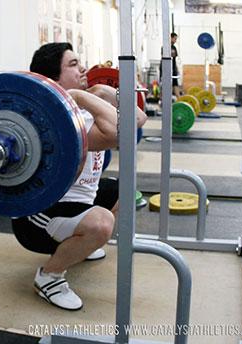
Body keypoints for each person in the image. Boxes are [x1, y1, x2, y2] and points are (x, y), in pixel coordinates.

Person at [11, 42, 147, 311]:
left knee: (124, 192)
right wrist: (83, 96)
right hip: (37, 216)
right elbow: (119, 132)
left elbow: (139, 118)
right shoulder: (56, 119)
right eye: (73, 65)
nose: (83, 67)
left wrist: (104, 91)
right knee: (101, 224)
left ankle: (77, 246)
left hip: (77, 199)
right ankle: (49, 277)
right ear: (54, 79)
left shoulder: (81, 112)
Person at [159, 32, 180, 99]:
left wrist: (177, 68)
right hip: (165, 68)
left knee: (175, 83)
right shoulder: (165, 47)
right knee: (163, 83)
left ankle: (179, 98)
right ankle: (161, 99)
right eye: (174, 38)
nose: (175, 40)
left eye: (176, 39)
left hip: (173, 68)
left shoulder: (174, 48)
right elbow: (162, 58)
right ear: (170, 38)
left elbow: (174, 59)